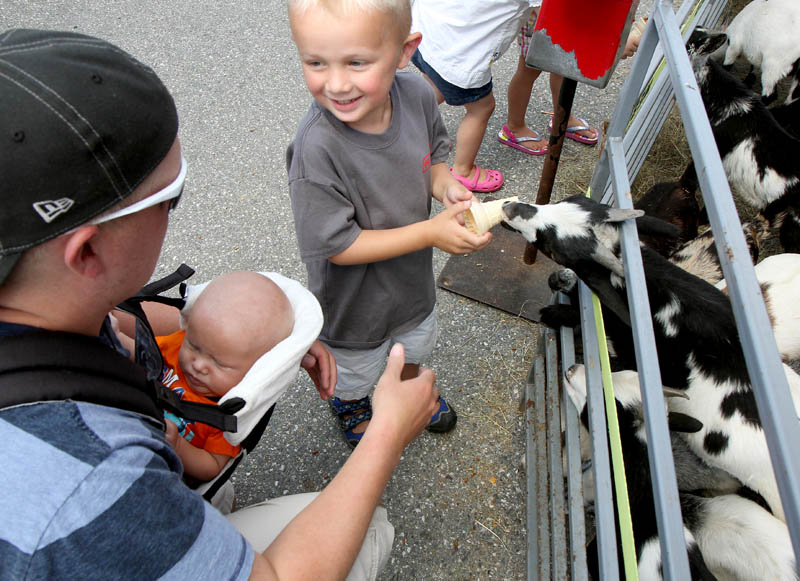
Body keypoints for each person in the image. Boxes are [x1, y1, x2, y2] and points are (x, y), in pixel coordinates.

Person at [0, 28, 440, 580]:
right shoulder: (93, 481)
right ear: (87, 250)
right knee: (369, 527)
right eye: (171, 198)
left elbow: (131, 317)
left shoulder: (46, 305)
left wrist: (265, 344)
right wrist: (388, 433)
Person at [286, 0, 492, 448]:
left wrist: (444, 186)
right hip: (352, 304)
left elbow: (435, 153)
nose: (336, 84)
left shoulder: (417, 95)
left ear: (404, 52)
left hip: (412, 285)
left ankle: (408, 388)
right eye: (316, 62)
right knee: (355, 371)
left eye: (357, 62)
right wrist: (431, 233)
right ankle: (355, 406)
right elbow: (337, 245)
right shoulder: (317, 150)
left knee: (415, 343)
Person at [156, 271, 294, 483]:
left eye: (218, 363)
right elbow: (143, 352)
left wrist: (179, 446)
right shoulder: (181, 343)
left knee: (217, 497)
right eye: (193, 346)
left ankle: (226, 501)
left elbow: (212, 466)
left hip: (176, 477)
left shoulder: (231, 412)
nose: (199, 365)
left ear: (255, 371)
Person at [409, 0, 539, 192]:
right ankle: (464, 171)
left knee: (434, 86)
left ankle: (409, 137)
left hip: (425, 32)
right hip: (461, 54)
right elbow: (544, 13)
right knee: (481, 108)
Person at [500, 6, 639, 155]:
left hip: (569, 12)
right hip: (541, 14)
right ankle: (515, 126)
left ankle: (563, 116)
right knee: (528, 71)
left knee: (564, 64)